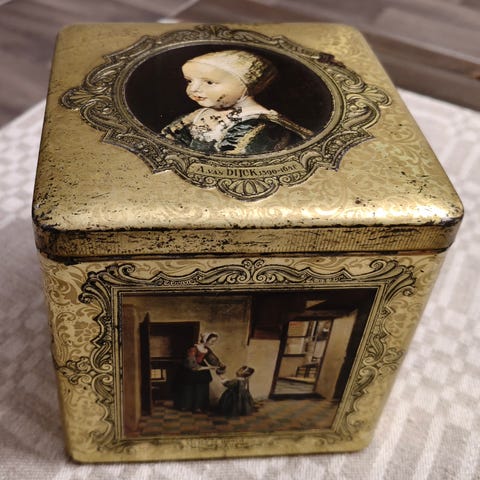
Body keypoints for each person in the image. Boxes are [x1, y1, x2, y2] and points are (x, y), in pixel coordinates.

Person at [161, 49, 313, 155]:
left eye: (209, 82)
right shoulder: (196, 116)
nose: (193, 89)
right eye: (189, 81)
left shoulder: (260, 126)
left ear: (246, 86)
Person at [174, 332, 226, 413]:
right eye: (212, 341)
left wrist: (219, 365)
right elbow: (192, 365)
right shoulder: (193, 349)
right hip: (190, 370)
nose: (213, 343)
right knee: (189, 388)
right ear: (205, 340)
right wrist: (209, 367)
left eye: (214, 341)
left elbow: (212, 360)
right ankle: (186, 406)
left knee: (202, 387)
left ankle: (199, 407)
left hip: (201, 369)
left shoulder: (207, 350)